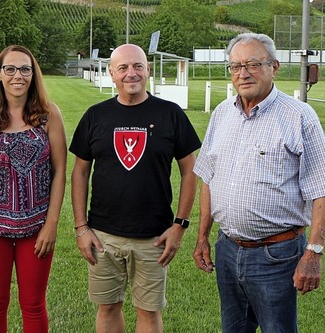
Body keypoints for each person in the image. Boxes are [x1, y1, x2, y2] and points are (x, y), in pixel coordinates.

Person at [192, 33, 325, 333]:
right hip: (227, 251)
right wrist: (203, 237)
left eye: (253, 64)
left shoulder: (299, 117)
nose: (243, 73)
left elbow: (321, 190)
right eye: (236, 66)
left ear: (274, 67)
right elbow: (207, 178)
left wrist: (314, 252)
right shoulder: (222, 113)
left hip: (277, 255)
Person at [70, 44, 201, 333]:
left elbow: (190, 170)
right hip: (103, 234)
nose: (132, 73)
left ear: (148, 69)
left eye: (138, 66)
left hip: (153, 236)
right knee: (107, 307)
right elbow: (80, 172)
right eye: (124, 68)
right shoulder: (95, 115)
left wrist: (179, 225)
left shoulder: (170, 114)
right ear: (112, 74)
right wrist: (82, 228)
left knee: (148, 312)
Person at [0, 45, 67, 333]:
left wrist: (51, 225)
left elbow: (60, 171)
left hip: (36, 227)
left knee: (34, 304)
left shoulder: (49, 114)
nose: (17, 76)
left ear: (33, 74)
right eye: (9, 69)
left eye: (25, 69)